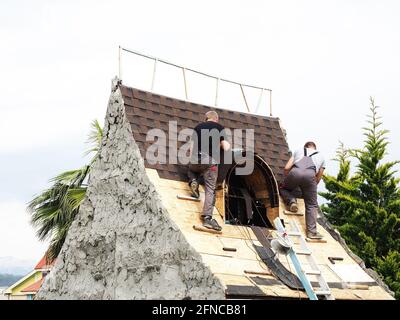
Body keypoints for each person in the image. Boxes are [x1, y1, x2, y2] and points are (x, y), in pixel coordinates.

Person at [188, 111, 231, 231]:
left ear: (206, 118)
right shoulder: (219, 128)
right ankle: (207, 218)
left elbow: (191, 150)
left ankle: (192, 181)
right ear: (216, 119)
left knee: (191, 170)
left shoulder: (197, 127)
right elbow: (227, 147)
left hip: (196, 158)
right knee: (210, 189)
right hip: (210, 162)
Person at [280, 141, 325, 239]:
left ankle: (291, 201)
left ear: (305, 147)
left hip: (295, 172)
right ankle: (312, 232)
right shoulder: (321, 156)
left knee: (283, 189)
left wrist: (291, 179)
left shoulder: (298, 151)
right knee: (312, 204)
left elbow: (287, 168)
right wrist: (310, 187)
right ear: (314, 148)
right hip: (310, 176)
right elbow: (318, 178)